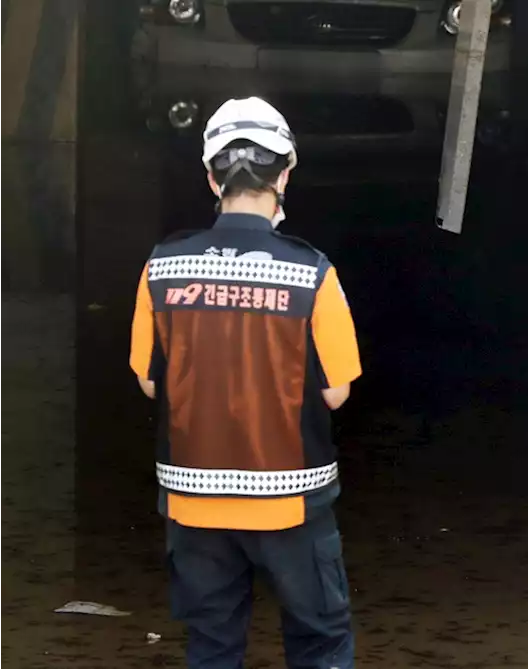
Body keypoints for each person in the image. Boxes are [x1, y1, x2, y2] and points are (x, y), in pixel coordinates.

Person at [128, 97, 362, 669]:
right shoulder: (312, 272)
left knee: (211, 646)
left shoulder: (163, 267)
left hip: (195, 505)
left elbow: (151, 383)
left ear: (211, 177)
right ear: (286, 174)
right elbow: (336, 392)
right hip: (290, 507)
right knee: (320, 642)